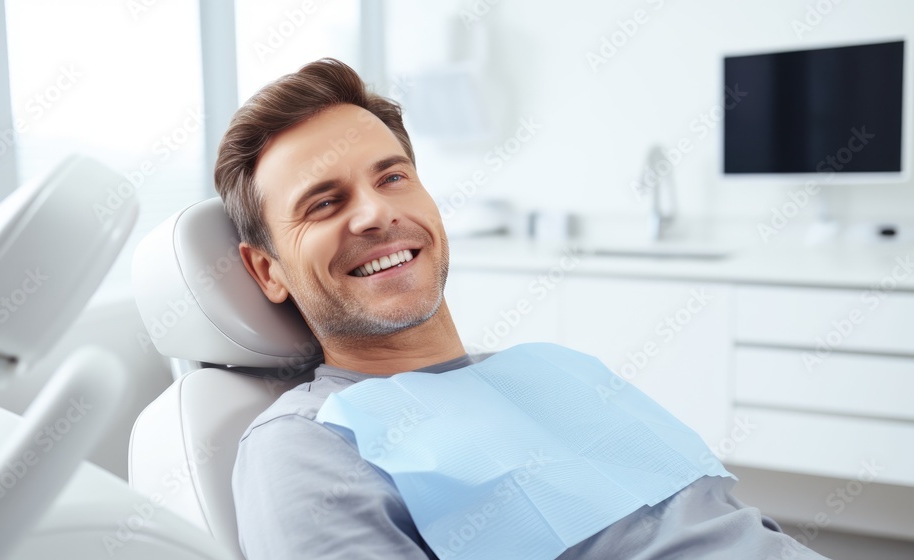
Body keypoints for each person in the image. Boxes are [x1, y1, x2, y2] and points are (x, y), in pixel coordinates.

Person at [215, 58, 828, 560]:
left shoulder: (556, 371)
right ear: (268, 271)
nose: (376, 212)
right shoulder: (311, 443)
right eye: (324, 203)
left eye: (393, 177)